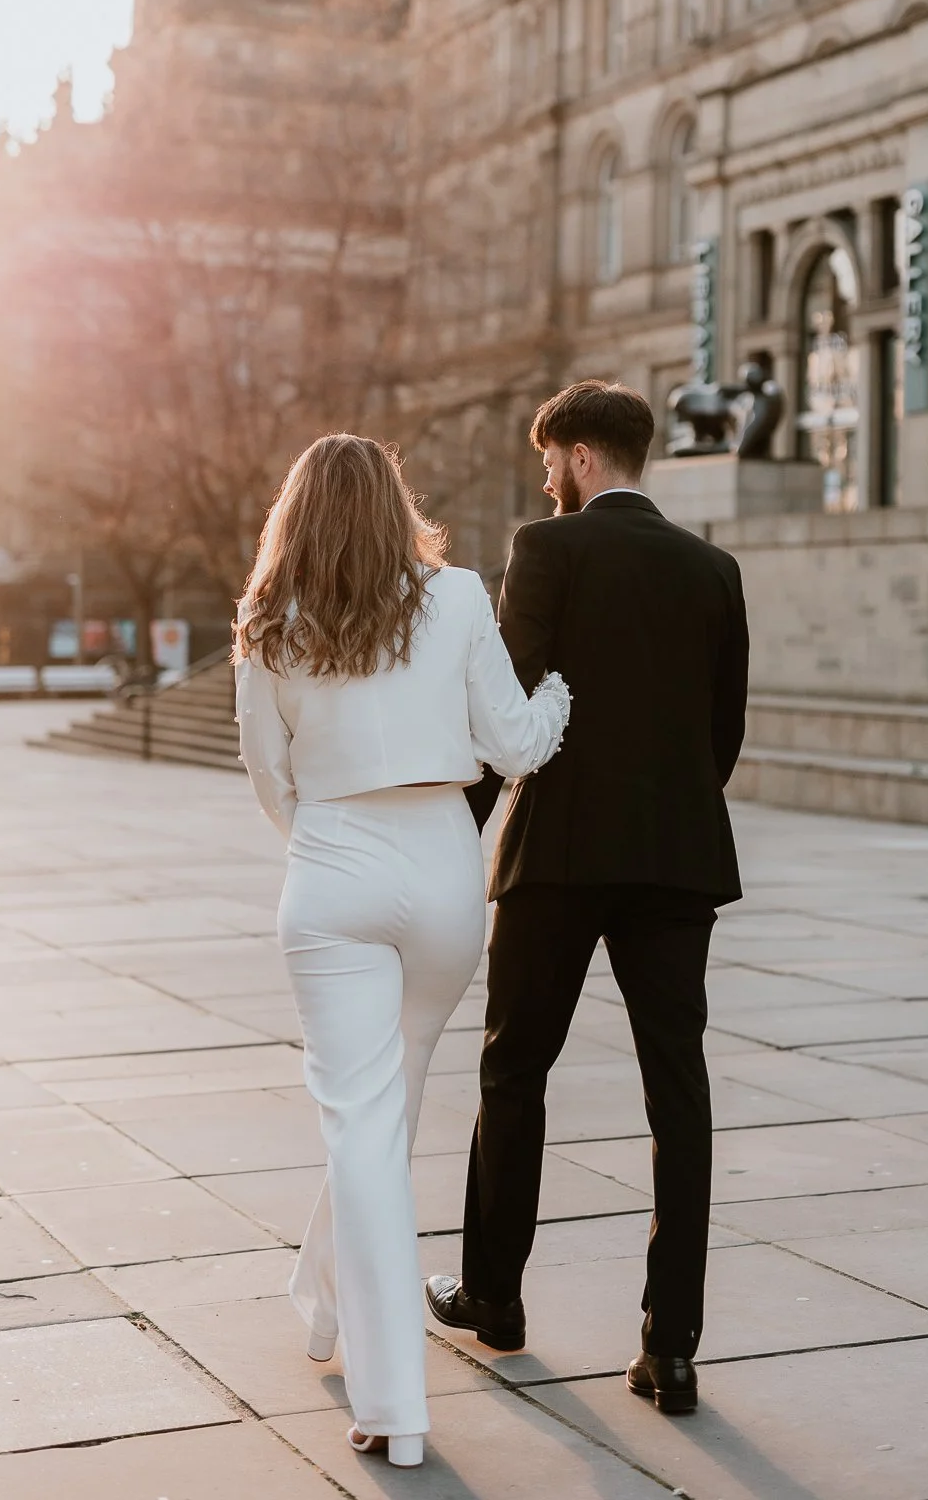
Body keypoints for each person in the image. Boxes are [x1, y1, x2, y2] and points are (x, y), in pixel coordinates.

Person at [235, 435, 570, 1470]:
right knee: (386, 1114)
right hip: (439, 869)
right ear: (393, 506)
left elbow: (268, 778)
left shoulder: (268, 624)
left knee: (366, 1126)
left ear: (294, 515)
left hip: (333, 860)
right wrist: (558, 689)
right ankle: (327, 1313)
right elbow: (515, 747)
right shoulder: (460, 596)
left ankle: (393, 1406)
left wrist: (328, 851)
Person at [426, 381, 749, 1417]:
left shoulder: (546, 548)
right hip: (674, 859)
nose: (543, 479)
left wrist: (452, 836)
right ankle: (672, 1345)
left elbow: (508, 709)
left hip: (559, 853)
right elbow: (720, 737)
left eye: (547, 460)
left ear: (575, 455)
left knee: (514, 1069)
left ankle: (495, 1295)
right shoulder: (714, 570)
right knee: (678, 1094)